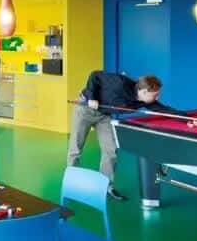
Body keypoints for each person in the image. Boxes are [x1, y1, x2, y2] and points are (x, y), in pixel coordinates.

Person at [68, 72, 186, 201]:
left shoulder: (144, 101)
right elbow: (95, 76)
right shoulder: (120, 83)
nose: (157, 98)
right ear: (144, 91)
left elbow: (164, 109)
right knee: (76, 149)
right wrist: (91, 97)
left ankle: (106, 187)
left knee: (111, 151)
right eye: (156, 95)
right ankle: (70, 184)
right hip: (85, 109)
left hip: (104, 116)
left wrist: (187, 119)